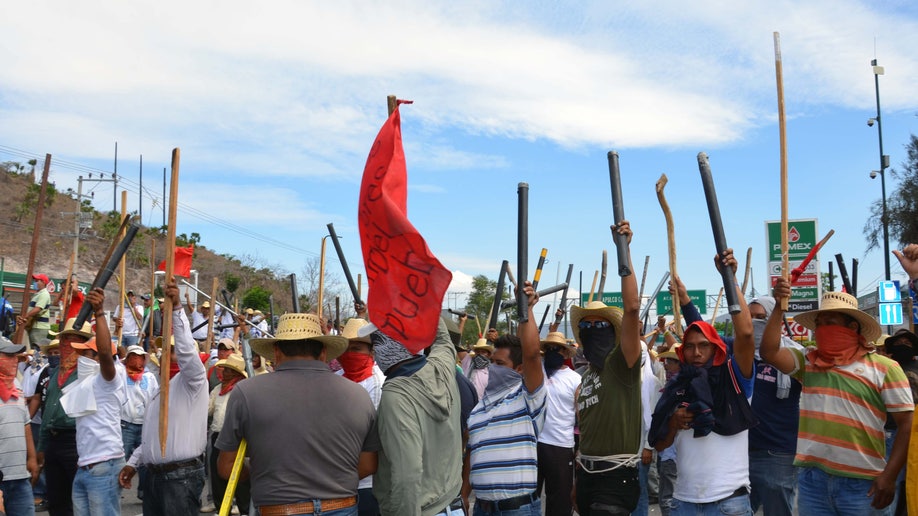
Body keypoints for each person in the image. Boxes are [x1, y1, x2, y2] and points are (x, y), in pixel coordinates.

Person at [761, 276, 914, 514]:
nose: (821, 329)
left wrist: (889, 476)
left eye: (829, 322)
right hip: (813, 482)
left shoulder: (885, 368)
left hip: (863, 484)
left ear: (852, 327)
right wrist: (779, 308)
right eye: (819, 324)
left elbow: (906, 426)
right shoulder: (808, 362)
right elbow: (769, 352)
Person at [215, 313, 378, 515]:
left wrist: (263, 473)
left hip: (279, 507)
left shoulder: (246, 392)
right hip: (342, 506)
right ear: (324, 352)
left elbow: (226, 467)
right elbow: (369, 463)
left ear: (276, 352)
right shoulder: (358, 395)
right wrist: (333, 480)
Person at [673, 274, 803, 516]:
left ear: (776, 317)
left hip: (777, 451)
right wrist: (685, 301)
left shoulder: (792, 357)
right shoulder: (734, 351)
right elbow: (704, 335)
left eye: (761, 317)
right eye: (750, 316)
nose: (753, 322)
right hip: (739, 451)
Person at [650, 249, 756, 516]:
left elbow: (744, 333)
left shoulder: (734, 379)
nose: (697, 353)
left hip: (729, 502)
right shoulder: (677, 388)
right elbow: (659, 444)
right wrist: (673, 423)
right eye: (690, 347)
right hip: (683, 502)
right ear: (682, 352)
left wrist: (729, 278)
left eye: (704, 347)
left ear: (716, 351)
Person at [118, 278, 209, 516]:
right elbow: (151, 436)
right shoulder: (159, 388)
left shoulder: (194, 381)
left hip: (181, 478)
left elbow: (188, 353)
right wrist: (133, 462)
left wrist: (178, 309)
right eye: (164, 349)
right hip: (154, 477)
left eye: (173, 349)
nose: (167, 353)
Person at [573, 221, 643, 515]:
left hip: (616, 476)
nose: (592, 329)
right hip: (585, 473)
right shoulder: (586, 376)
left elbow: (632, 308)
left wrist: (623, 252)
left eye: (600, 325)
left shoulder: (621, 364)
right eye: (585, 325)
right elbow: (586, 431)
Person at [467, 282, 544, 515]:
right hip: (481, 507)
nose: (493, 368)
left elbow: (531, 354)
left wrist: (526, 311)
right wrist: (463, 494)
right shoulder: (477, 409)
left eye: (500, 364)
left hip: (516, 508)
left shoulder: (527, 398)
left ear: (519, 369)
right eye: (492, 363)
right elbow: (471, 453)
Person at [63, 288, 125, 516]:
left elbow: (106, 353)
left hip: (104, 465)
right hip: (86, 466)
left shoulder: (108, 380)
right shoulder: (86, 383)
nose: (81, 358)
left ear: (97, 358)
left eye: (86, 354)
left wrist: (100, 313)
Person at [36, 317, 93, 516]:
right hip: (54, 440)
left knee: (79, 500)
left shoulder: (89, 372)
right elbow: (48, 413)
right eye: (64, 340)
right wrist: (42, 447)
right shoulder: (54, 374)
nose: (66, 344)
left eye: (72, 340)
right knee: (57, 500)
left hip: (75, 440)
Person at [339, 317, 385, 516]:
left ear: (370, 351)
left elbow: (373, 436)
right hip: (336, 480)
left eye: (356, 348)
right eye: (346, 348)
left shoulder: (381, 383)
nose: (350, 354)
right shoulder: (336, 379)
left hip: (367, 482)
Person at [536, 331, 580, 516]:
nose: (552, 352)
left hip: (560, 446)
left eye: (557, 349)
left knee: (560, 502)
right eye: (548, 348)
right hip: (534, 443)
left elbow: (582, 416)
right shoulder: (536, 372)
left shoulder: (576, 379)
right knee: (528, 499)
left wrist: (582, 449)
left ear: (565, 353)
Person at [0, 335, 39, 516]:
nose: (14, 361)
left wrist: (31, 458)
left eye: (15, 356)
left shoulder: (15, 384)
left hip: (19, 476)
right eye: (8, 356)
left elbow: (25, 424)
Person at [208, 353, 249, 515]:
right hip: (217, 436)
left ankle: (244, 508)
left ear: (236, 373)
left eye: (228, 370)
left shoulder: (243, 389)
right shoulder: (218, 389)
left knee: (239, 474)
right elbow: (209, 409)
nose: (223, 373)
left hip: (237, 438)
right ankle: (221, 509)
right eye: (224, 369)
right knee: (217, 473)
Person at [120, 345, 157, 501]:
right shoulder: (121, 375)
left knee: (144, 460)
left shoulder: (149, 378)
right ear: (127, 359)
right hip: (125, 423)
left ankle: (144, 492)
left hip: (144, 424)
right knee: (122, 459)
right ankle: (118, 489)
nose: (136, 360)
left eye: (139, 357)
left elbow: (155, 398)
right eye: (133, 356)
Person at [18, 273, 52, 350]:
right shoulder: (38, 294)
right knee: (34, 349)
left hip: (39, 327)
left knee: (37, 350)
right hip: (35, 326)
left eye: (37, 281)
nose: (35, 282)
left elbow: (38, 309)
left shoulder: (44, 294)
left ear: (43, 282)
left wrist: (25, 316)